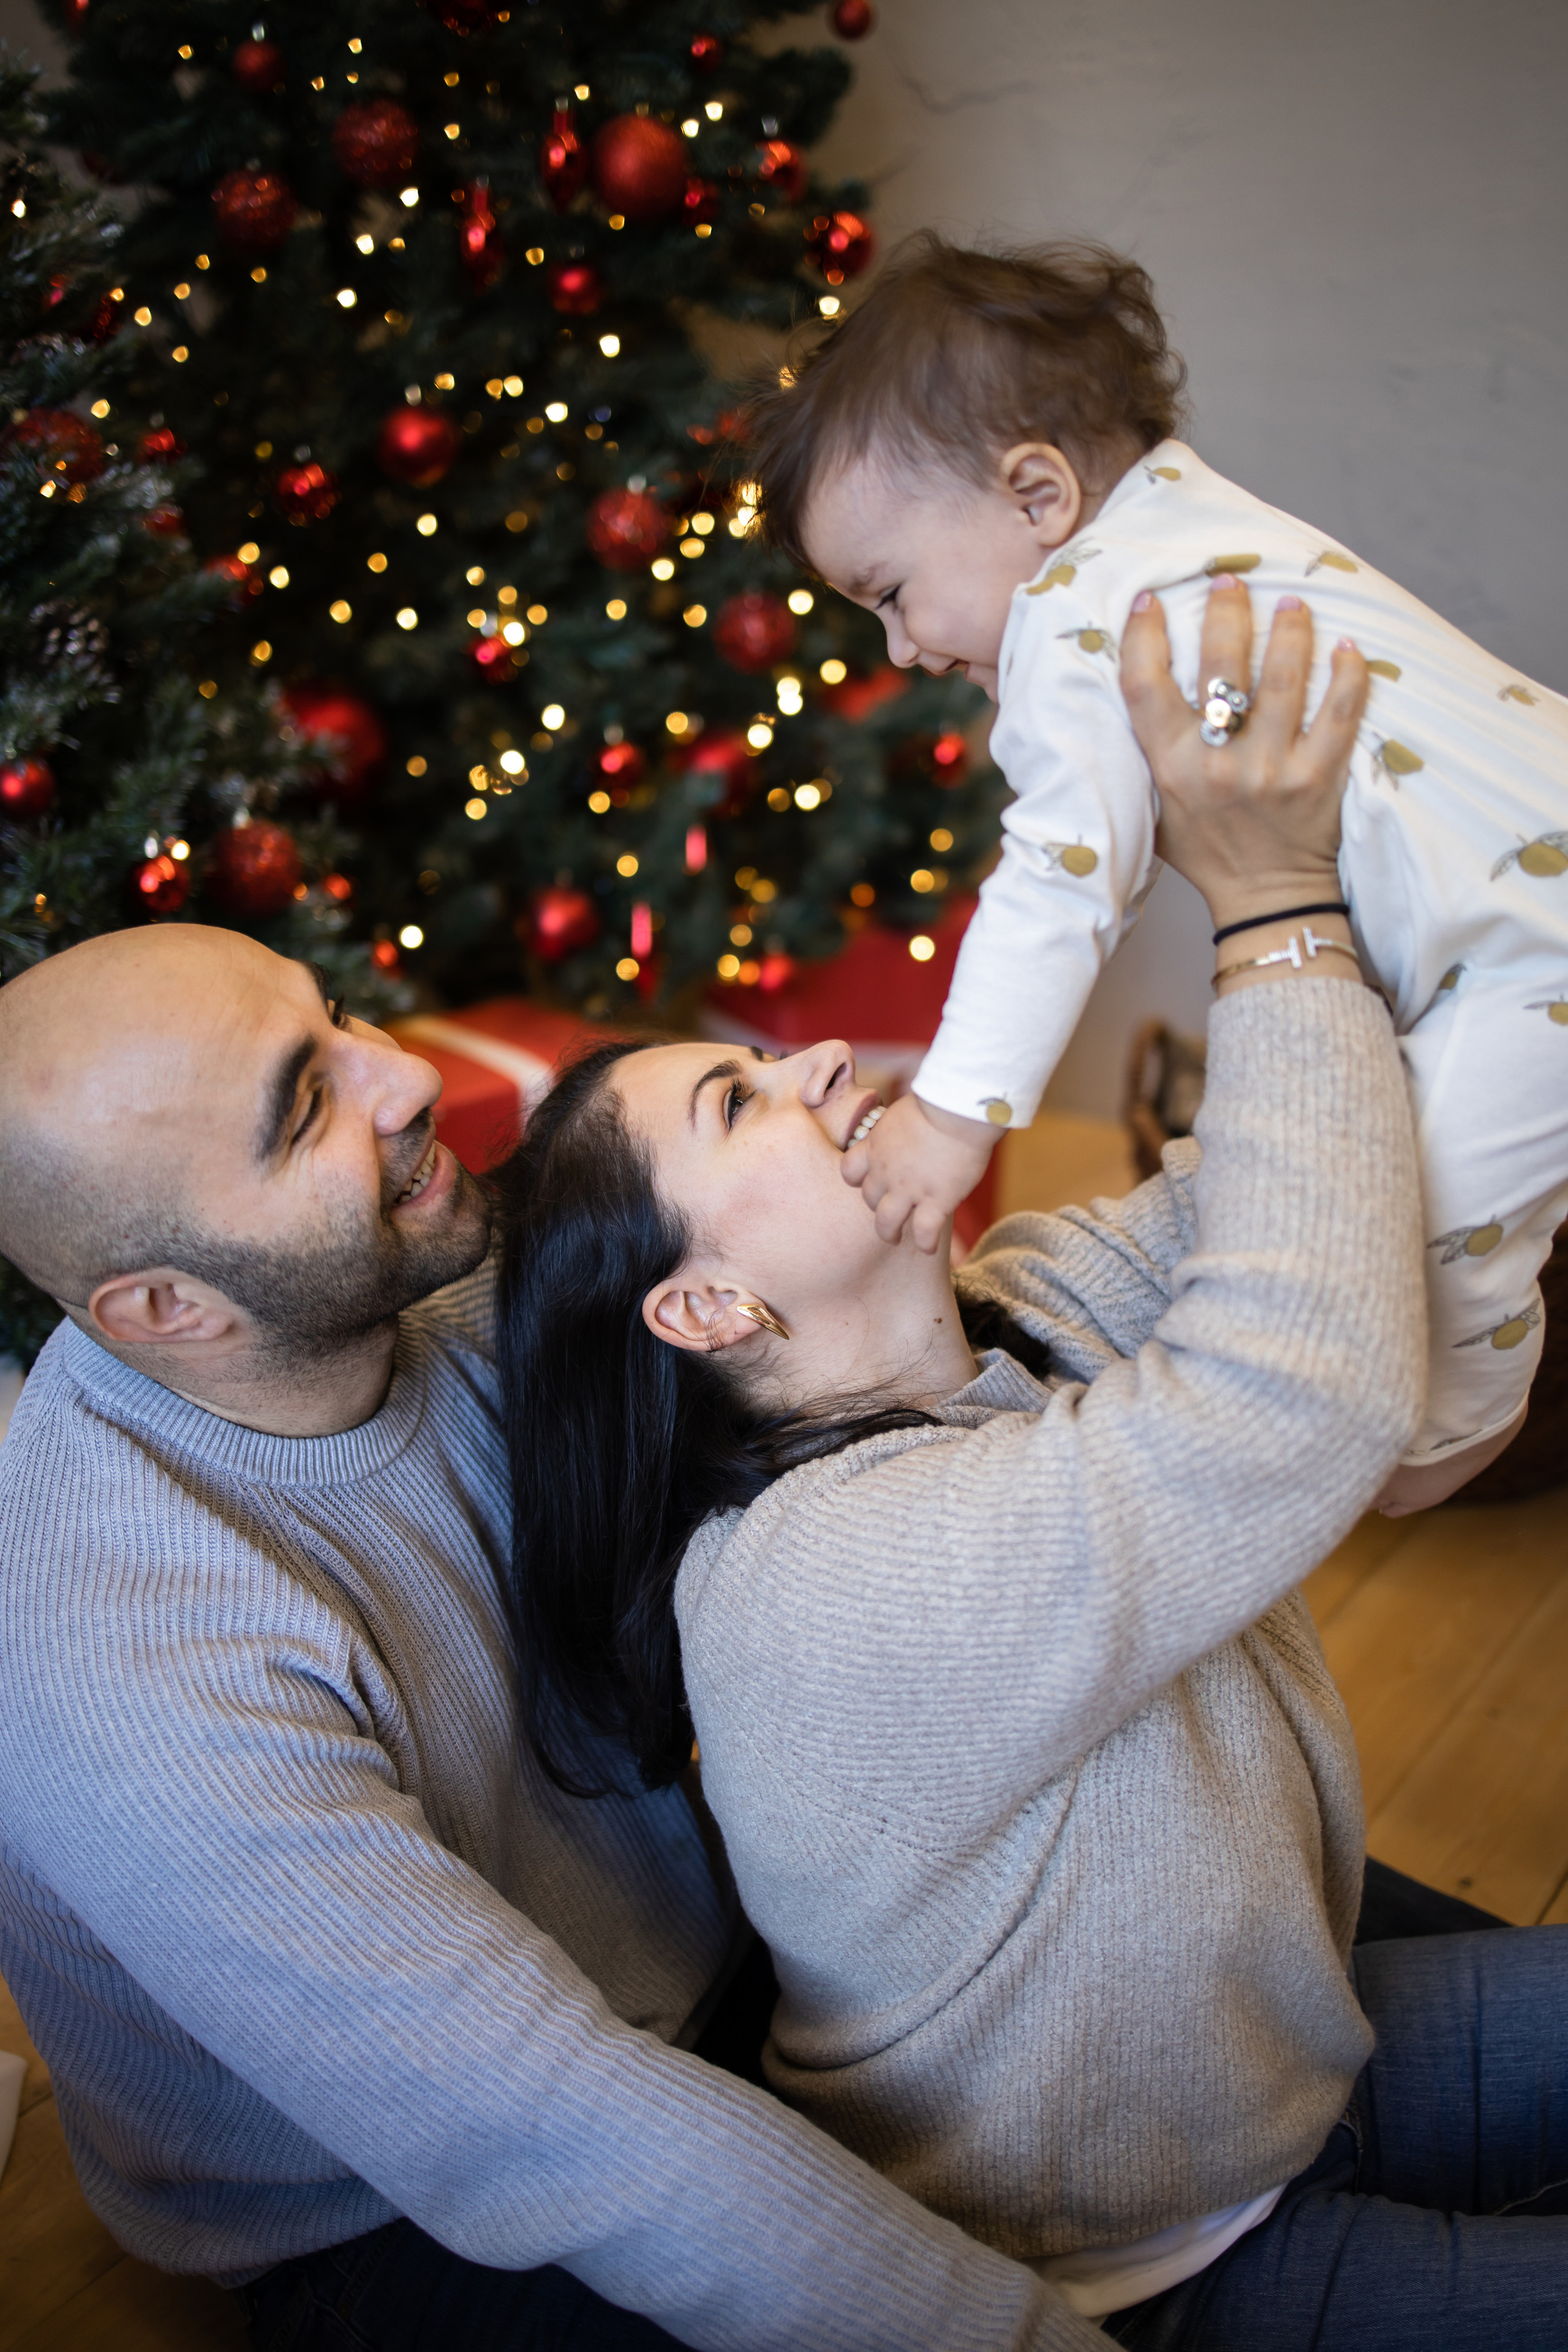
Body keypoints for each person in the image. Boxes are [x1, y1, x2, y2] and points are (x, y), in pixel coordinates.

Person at [497, 586, 1568, 2349]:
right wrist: (1271, 902)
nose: (827, 1063)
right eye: (747, 1104)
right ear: (702, 1304)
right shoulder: (823, 1577)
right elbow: (1299, 1390)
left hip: (1290, 2062)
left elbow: (1300, 1187)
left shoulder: (1011, 1313)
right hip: (1158, 2257)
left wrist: (1441, 898)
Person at [0, 930, 1101, 2349]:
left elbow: (855, 1301)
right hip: (407, 2204)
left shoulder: (424, 1265)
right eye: (304, 1106)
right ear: (168, 1310)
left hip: (735, 1957)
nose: (402, 1077)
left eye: (337, 1018)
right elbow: (553, 2125)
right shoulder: (122, 1671)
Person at [744, 233, 1568, 1516]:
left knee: (1444, 1208)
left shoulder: (1080, 616)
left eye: (893, 592)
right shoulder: (1194, 523)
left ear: (1036, 498)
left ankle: (1450, 1437)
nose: (902, 647)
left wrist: (949, 1116)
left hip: (1531, 953)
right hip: (1530, 864)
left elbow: (1060, 884)